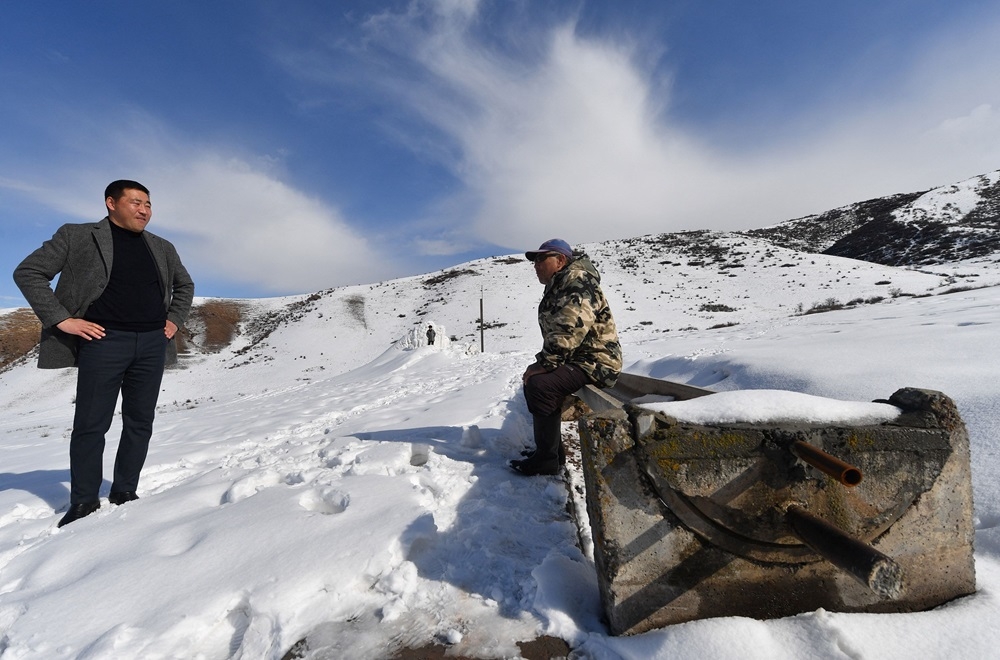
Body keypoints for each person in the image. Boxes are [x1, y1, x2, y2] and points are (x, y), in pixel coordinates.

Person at [13, 180, 195, 527]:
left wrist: (173, 320)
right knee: (90, 425)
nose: (145, 210)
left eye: (148, 204)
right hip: (104, 341)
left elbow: (185, 285)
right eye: (136, 202)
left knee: (140, 422)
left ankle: (125, 491)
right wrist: (63, 320)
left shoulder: (162, 246)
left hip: (152, 343)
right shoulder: (77, 235)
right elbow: (28, 272)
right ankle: (83, 501)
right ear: (111, 203)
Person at [511, 238, 622, 476]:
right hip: (579, 359)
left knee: (541, 384)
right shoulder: (560, 284)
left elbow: (569, 329)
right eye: (535, 260)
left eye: (541, 258)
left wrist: (544, 363)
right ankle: (551, 455)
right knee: (537, 382)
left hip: (597, 362)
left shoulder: (577, 281)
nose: (536, 265)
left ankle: (547, 458)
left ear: (560, 260)